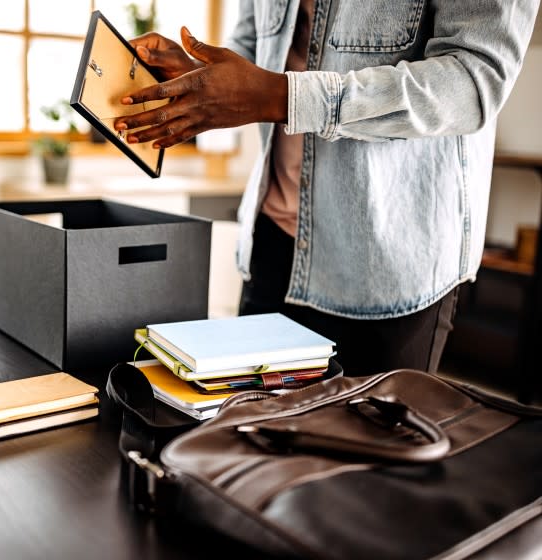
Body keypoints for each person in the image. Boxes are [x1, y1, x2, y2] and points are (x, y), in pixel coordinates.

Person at [114, 0, 541, 376]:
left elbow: (473, 82)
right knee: (250, 451)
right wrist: (199, 81)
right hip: (272, 245)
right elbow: (254, 42)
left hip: (386, 267)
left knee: (364, 463)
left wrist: (282, 97)